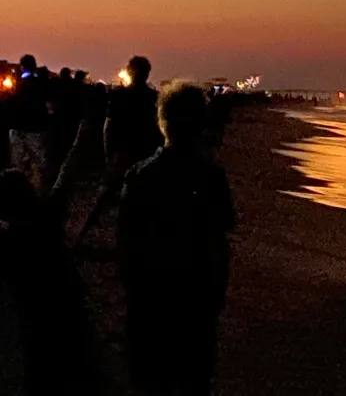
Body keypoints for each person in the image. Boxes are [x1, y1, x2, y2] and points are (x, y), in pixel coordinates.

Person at [117, 81, 236, 396]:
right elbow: (222, 231)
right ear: (201, 125)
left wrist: (132, 288)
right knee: (194, 378)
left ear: (162, 122)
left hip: (149, 296)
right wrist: (216, 293)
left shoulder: (139, 175)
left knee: (149, 380)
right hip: (196, 296)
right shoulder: (211, 176)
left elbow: (125, 243)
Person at [0, 169, 99, 394]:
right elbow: (65, 179)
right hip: (68, 308)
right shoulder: (48, 215)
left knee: (41, 373)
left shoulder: (8, 244)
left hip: (35, 319)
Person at [81, 56, 161, 234]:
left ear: (130, 72)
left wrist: (108, 153)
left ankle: (83, 233)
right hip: (146, 152)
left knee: (104, 195)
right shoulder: (154, 98)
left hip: (123, 152)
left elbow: (108, 127)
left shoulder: (119, 95)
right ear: (147, 74)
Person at [7, 55, 53, 192]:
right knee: (39, 166)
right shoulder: (42, 84)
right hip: (36, 129)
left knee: (18, 165)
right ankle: (36, 193)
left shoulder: (18, 84)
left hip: (19, 129)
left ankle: (19, 191)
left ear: (22, 66)